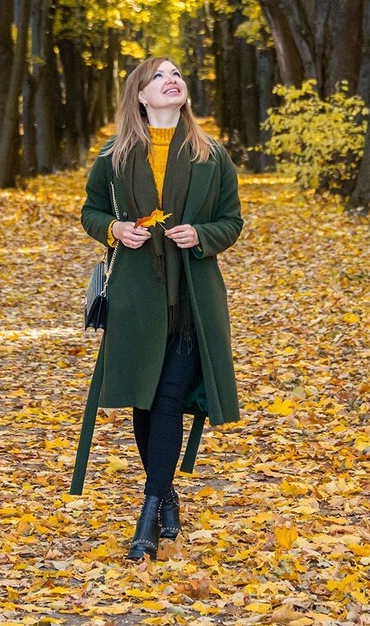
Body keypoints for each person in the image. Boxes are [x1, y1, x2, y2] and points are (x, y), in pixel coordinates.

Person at [72, 56, 243, 561]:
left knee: (168, 399)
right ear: (141, 96)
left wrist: (204, 234)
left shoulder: (212, 154)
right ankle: (167, 495)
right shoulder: (116, 155)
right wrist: (114, 229)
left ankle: (148, 513)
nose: (172, 81)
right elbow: (91, 211)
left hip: (194, 300)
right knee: (144, 402)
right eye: (158, 77)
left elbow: (232, 221)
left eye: (176, 75)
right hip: (138, 298)